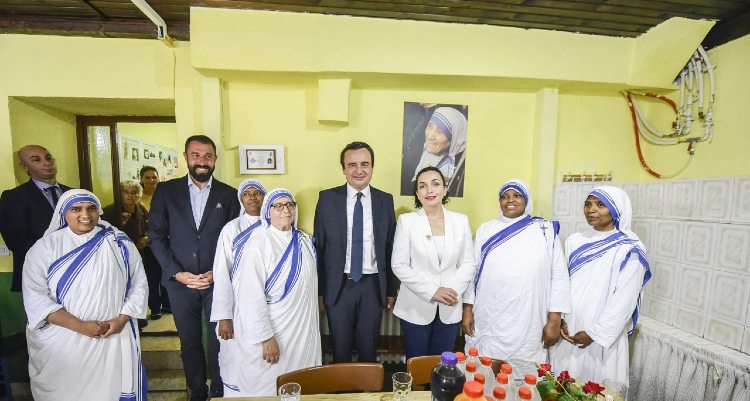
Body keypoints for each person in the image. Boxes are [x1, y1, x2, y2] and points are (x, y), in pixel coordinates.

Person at [22, 189, 148, 401]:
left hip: (112, 336)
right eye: (76, 209)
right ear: (64, 213)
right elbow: (35, 297)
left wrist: (121, 319)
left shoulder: (118, 242)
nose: (85, 215)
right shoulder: (45, 247)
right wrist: (80, 326)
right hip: (63, 341)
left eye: (91, 208)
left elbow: (139, 284)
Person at [149, 135, 240, 401]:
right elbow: (156, 236)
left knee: (220, 340)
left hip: (218, 282)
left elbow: (236, 240)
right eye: (196, 155)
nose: (202, 161)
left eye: (207, 156)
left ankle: (220, 390)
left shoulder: (229, 194)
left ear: (215, 159)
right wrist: (177, 273)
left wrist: (219, 272)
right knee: (189, 342)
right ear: (186, 157)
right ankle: (197, 392)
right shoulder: (166, 191)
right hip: (180, 283)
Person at [462, 179, 571, 378]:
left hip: (529, 319)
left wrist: (555, 319)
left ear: (526, 200)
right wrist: (467, 308)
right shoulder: (486, 229)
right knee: (485, 376)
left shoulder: (545, 231)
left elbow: (559, 276)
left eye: (517, 195)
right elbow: (472, 272)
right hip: (489, 316)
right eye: (505, 196)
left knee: (525, 380)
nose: (510, 200)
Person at [551, 186, 651, 386]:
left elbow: (625, 299)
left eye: (600, 205)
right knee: (561, 387)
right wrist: (560, 318)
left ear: (616, 209)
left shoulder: (630, 248)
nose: (591, 210)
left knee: (594, 387)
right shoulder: (575, 240)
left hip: (600, 334)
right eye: (587, 204)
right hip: (569, 327)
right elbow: (563, 281)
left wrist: (594, 334)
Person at [227, 188, 321, 396]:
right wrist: (266, 339)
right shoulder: (258, 244)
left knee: (301, 382)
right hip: (273, 332)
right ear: (267, 212)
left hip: (301, 331)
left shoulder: (305, 241)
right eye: (277, 206)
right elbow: (250, 297)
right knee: (269, 387)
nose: (285, 210)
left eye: (289, 205)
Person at [314, 141, 397, 364]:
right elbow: (320, 248)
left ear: (372, 167)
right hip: (338, 286)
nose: (359, 170)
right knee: (340, 350)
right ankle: (342, 387)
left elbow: (389, 248)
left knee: (368, 350)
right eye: (352, 165)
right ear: (343, 169)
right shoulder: (327, 199)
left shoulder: (385, 200)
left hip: (372, 286)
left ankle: (366, 386)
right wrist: (320, 291)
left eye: (364, 164)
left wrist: (390, 289)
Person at [392, 166, 477, 360]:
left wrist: (451, 292)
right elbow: (399, 265)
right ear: (417, 194)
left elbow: (468, 263)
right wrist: (433, 291)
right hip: (415, 307)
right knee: (417, 363)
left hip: (450, 306)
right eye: (423, 186)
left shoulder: (460, 221)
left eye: (435, 184)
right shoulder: (407, 221)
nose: (429, 190)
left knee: (442, 365)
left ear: (445, 190)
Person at [210, 178, 266, 394]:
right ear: (241, 199)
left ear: (265, 197)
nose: (252, 198)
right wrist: (224, 316)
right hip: (238, 305)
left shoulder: (274, 225)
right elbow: (221, 273)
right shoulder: (231, 229)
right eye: (246, 194)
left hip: (266, 304)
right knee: (237, 355)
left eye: (257, 193)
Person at [0, 145, 72, 292]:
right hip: (38, 275)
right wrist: (56, 262)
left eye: (48, 157)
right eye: (36, 160)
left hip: (76, 271)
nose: (46, 163)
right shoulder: (14, 197)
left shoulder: (73, 193)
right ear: (24, 166)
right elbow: (16, 241)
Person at [411, 107, 468, 197]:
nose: (430, 136)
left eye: (439, 132)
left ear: (453, 140)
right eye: (430, 126)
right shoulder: (421, 151)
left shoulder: (450, 170)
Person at [138, 165, 170, 318]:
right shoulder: (139, 199)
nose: (151, 180)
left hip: (166, 241)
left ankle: (167, 304)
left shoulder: (165, 196)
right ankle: (155, 307)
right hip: (148, 244)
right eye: (147, 177)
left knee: (167, 272)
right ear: (142, 179)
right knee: (152, 276)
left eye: (154, 177)